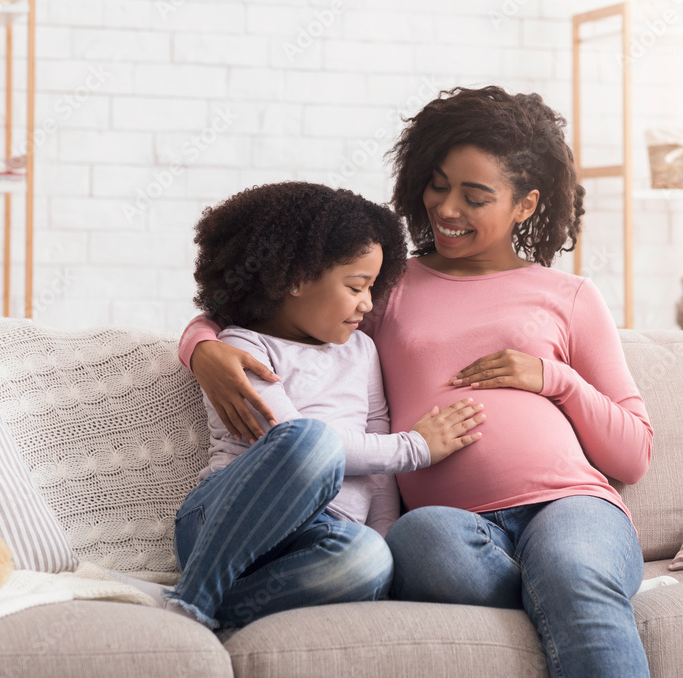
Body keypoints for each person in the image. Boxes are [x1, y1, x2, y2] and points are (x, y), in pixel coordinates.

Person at [178, 87, 653, 675]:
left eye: (475, 197)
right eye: (437, 183)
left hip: (569, 502)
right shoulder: (389, 286)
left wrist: (554, 379)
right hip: (447, 524)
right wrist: (201, 348)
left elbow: (632, 454)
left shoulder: (572, 297)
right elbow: (268, 305)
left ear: (525, 206)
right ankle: (550, 589)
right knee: (416, 546)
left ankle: (565, 582)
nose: (447, 209)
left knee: (573, 568)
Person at [144, 181, 486, 630]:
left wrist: (381, 539)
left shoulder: (362, 351)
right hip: (225, 523)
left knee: (368, 561)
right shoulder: (243, 346)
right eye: (356, 286)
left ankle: (219, 606)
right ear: (295, 279)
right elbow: (289, 438)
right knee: (312, 440)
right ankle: (192, 597)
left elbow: (377, 458)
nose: (368, 302)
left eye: (373, 287)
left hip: (316, 539)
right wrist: (416, 447)